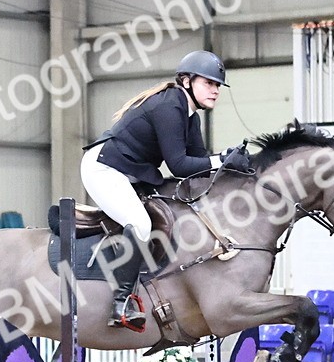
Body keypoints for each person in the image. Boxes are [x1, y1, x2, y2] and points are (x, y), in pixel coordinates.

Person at [81, 50, 250, 332]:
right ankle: (121, 304)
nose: (215, 90)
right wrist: (221, 159)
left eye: (218, 85)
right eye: (209, 83)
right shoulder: (170, 105)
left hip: (131, 172)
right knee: (140, 223)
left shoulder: (190, 116)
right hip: (104, 169)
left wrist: (229, 164)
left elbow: (199, 167)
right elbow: (179, 165)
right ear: (186, 81)